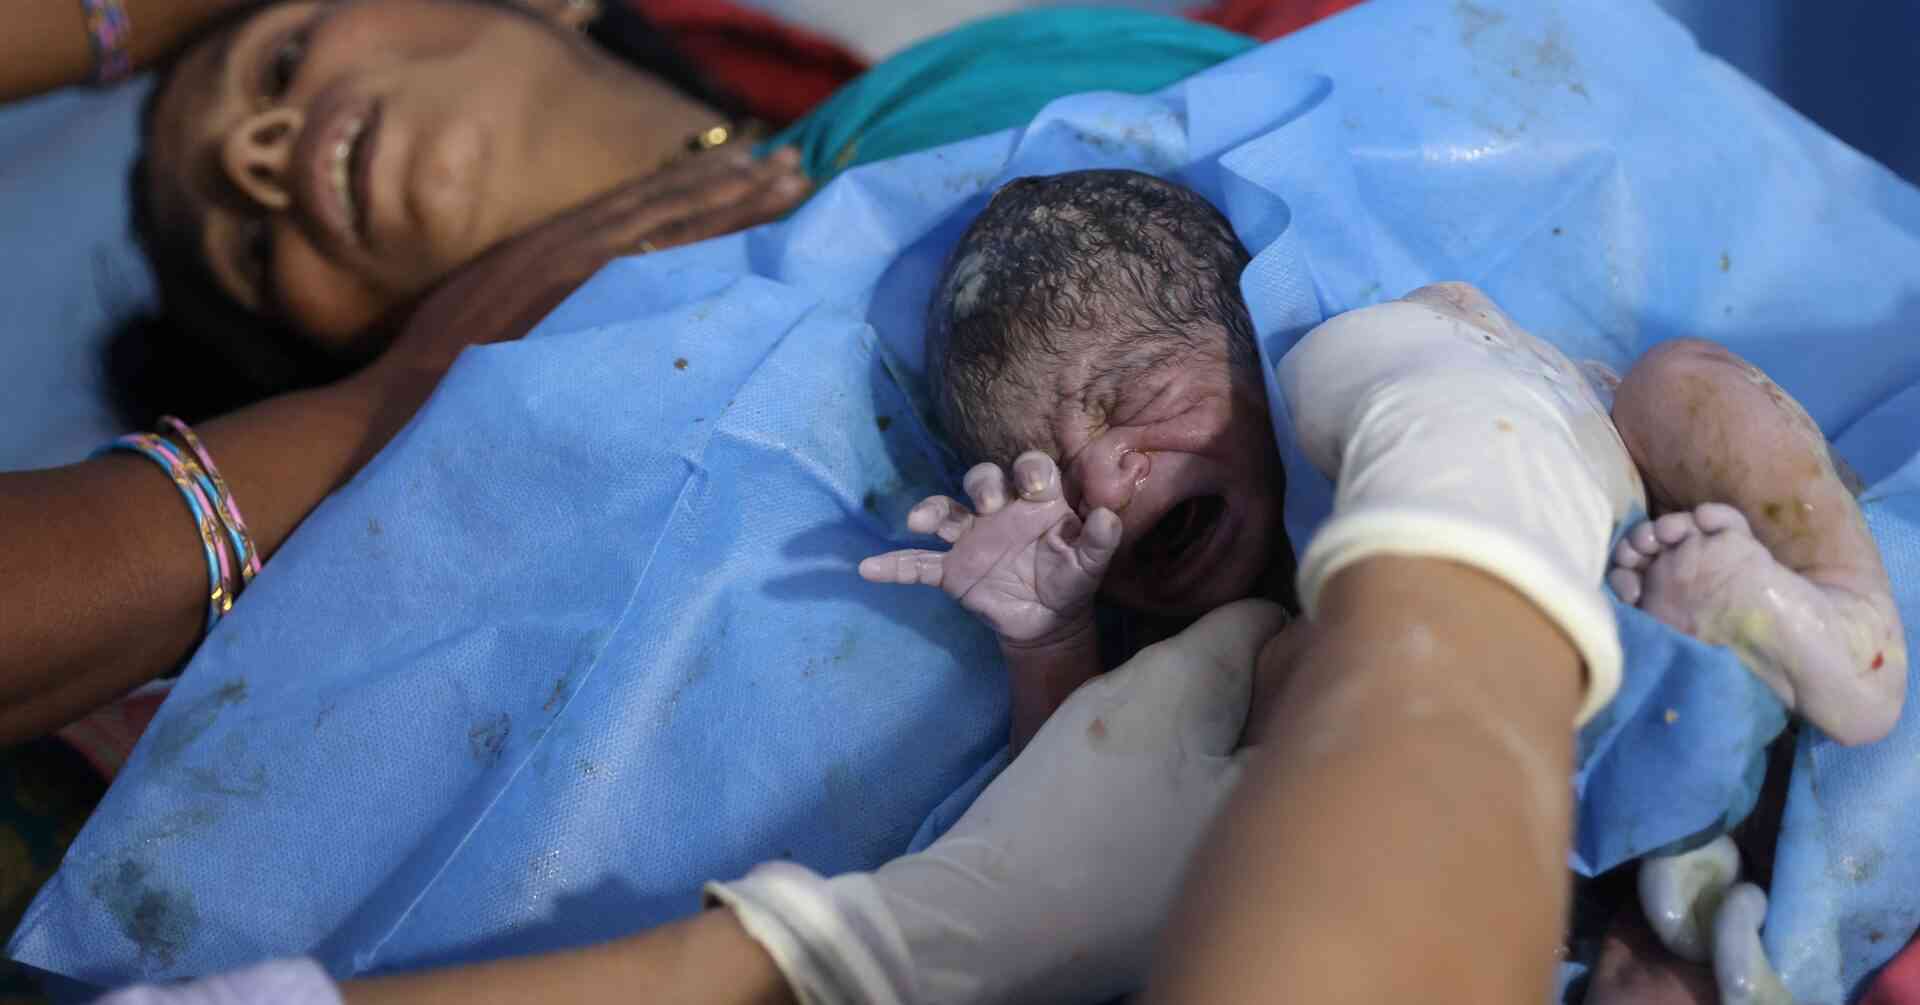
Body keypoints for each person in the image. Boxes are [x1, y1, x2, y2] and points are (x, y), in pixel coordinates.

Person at [860, 169, 1903, 997]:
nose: (1099, 480)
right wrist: (1046, 637)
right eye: (1041, 476)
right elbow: (1075, 841)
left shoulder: (1390, 388)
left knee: (1681, 389)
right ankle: (1654, 935)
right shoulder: (1229, 654)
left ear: (1247, 339)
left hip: (1690, 605)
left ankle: (1846, 617)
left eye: (1132, 396)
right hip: (1547, 853)